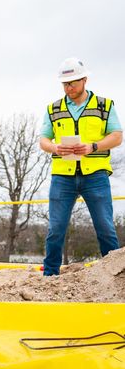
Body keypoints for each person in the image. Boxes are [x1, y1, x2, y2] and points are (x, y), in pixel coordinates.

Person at [39, 57, 122, 276]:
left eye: (73, 82)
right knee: (55, 229)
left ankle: (115, 275)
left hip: (95, 175)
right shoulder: (53, 108)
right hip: (62, 176)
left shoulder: (104, 105)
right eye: (65, 84)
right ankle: (50, 274)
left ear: (85, 80)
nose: (69, 87)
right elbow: (44, 140)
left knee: (105, 227)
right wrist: (55, 147)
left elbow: (116, 136)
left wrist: (93, 146)